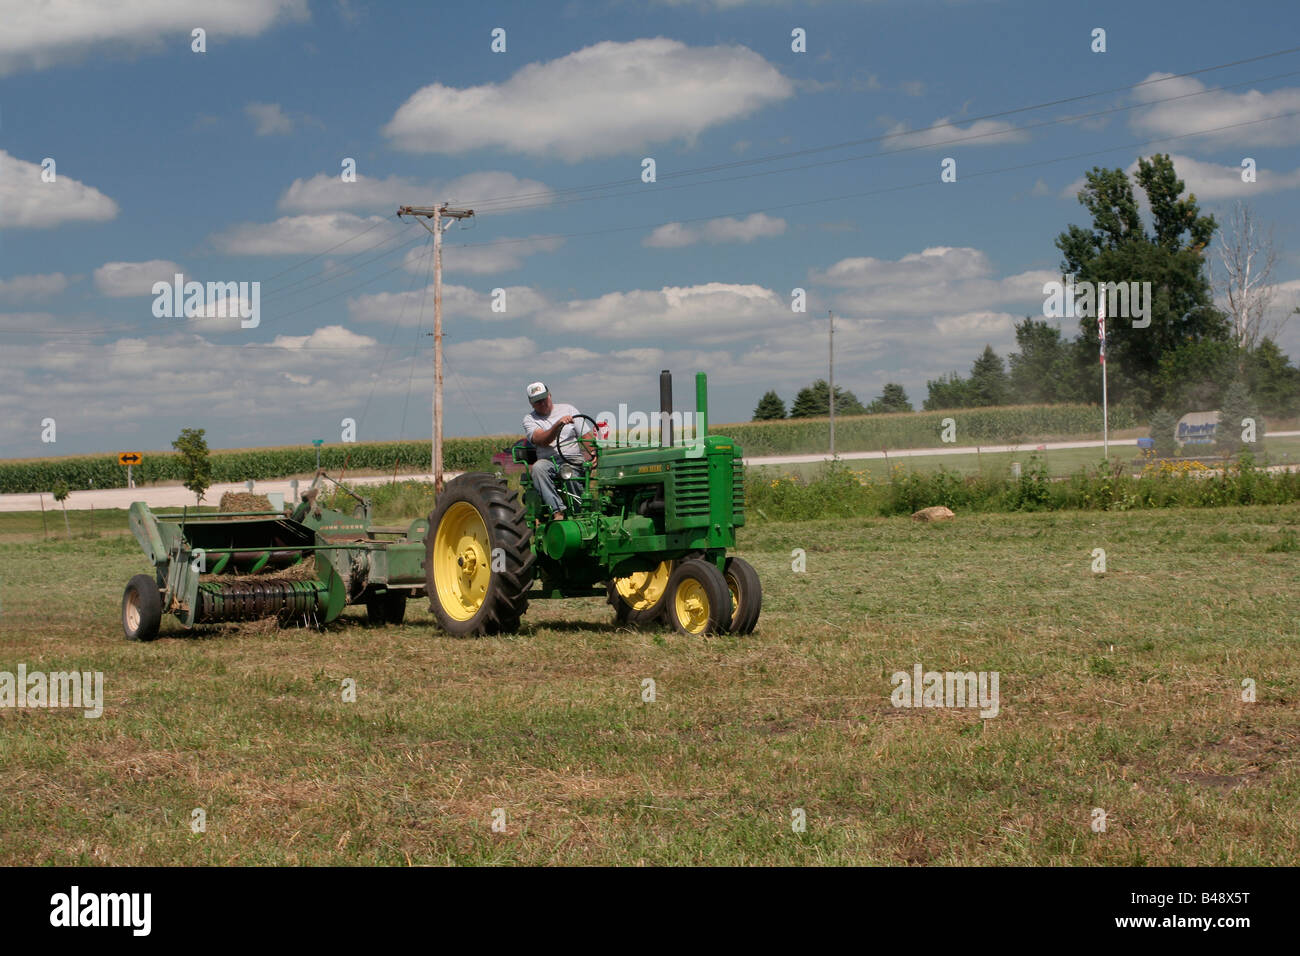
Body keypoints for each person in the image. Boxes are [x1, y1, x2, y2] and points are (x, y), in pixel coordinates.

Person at [522, 381, 594, 520]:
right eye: (537, 401)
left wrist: (593, 453)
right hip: (549, 462)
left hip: (573, 460)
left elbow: (585, 436)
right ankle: (557, 511)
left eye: (544, 399)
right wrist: (558, 425)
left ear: (549, 395)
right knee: (538, 468)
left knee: (569, 473)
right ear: (531, 403)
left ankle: (581, 512)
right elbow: (541, 439)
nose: (542, 403)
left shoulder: (569, 409)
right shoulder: (530, 419)